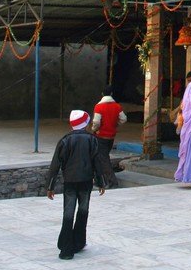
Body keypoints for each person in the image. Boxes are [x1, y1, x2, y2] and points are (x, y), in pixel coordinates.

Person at [46, 110, 109, 260]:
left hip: (70, 181)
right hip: (86, 181)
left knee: (68, 213)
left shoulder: (64, 140)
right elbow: (97, 162)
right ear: (85, 123)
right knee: (83, 211)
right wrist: (101, 182)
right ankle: (79, 242)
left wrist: (50, 186)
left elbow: (55, 165)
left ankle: (66, 250)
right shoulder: (92, 140)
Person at [90, 88, 127, 155]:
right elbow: (123, 119)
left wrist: (94, 129)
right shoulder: (117, 106)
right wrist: (116, 125)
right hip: (112, 136)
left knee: (102, 156)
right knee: (106, 154)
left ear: (102, 94)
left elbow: (96, 122)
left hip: (101, 135)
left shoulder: (98, 106)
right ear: (111, 94)